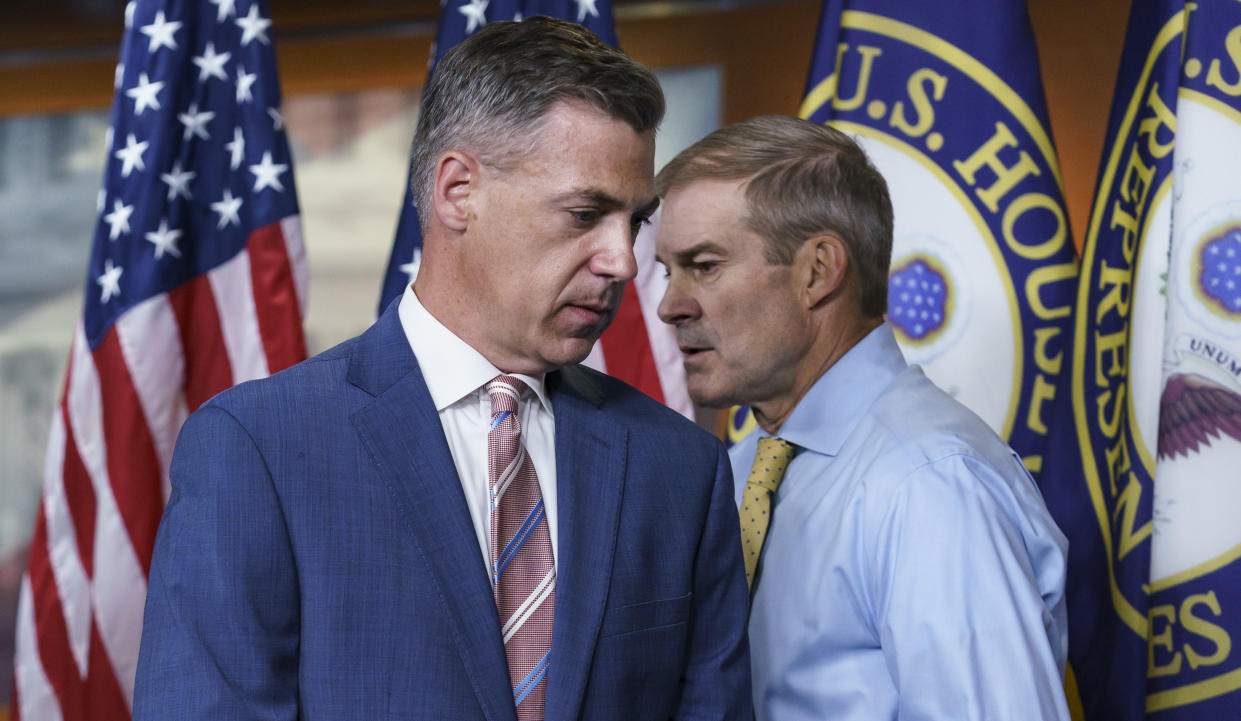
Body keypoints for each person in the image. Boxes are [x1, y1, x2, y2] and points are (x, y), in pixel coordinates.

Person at [133, 18, 752, 721]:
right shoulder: (258, 448)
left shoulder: (678, 469)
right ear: (459, 191)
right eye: (585, 214)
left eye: (633, 221)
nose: (621, 259)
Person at [654, 115, 1070, 721]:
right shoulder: (743, 470)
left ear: (818, 271)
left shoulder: (931, 485)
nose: (670, 304)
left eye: (705, 265)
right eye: (670, 270)